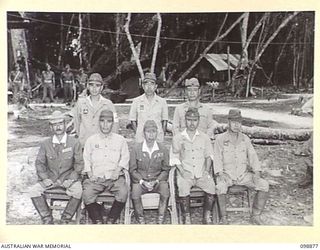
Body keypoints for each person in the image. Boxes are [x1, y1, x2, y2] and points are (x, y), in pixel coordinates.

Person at [213, 109, 269, 225]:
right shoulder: (220, 139)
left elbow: (252, 156)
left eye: (238, 122)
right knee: (220, 187)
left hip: (243, 175)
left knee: (264, 185)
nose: (236, 125)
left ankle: (256, 215)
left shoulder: (245, 139)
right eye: (233, 122)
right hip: (227, 175)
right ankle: (223, 217)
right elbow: (217, 158)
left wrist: (257, 172)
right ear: (228, 122)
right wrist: (220, 173)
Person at [29, 110, 83, 224]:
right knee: (34, 191)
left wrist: (71, 179)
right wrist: (44, 178)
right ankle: (47, 218)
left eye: (60, 123)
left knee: (78, 191)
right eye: (54, 124)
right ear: (51, 127)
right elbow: (39, 163)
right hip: (50, 179)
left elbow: (79, 164)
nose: (58, 127)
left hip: (68, 179)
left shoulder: (74, 142)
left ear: (65, 124)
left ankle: (65, 219)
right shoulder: (45, 144)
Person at [82, 109, 130, 224]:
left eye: (108, 122)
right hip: (96, 178)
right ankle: (97, 219)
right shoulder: (91, 140)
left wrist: (118, 171)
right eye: (102, 121)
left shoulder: (120, 140)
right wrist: (90, 174)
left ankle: (111, 219)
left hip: (114, 178)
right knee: (87, 194)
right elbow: (86, 158)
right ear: (99, 122)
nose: (105, 125)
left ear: (112, 123)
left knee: (123, 192)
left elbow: (125, 157)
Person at [170, 108, 216, 224]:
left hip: (201, 172)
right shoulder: (178, 138)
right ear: (185, 121)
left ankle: (207, 215)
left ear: (198, 121)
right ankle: (187, 217)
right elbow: (174, 158)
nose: (192, 123)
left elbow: (209, 156)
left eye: (194, 120)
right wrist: (182, 172)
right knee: (183, 186)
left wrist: (206, 171)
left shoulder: (205, 138)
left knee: (211, 185)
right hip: (186, 172)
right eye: (189, 120)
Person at [129, 120, 170, 224]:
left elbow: (165, 170)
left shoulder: (163, 149)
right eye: (148, 131)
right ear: (143, 133)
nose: (151, 134)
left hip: (157, 181)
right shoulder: (136, 149)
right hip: (141, 181)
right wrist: (142, 181)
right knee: (135, 190)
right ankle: (140, 218)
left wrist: (157, 181)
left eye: (153, 131)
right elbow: (132, 170)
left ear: (157, 133)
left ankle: (161, 217)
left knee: (165, 188)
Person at [73, 72, 119, 148]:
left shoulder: (108, 104)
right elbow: (77, 122)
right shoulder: (81, 103)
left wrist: (112, 141)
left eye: (97, 85)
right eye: (91, 85)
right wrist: (82, 135)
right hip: (85, 143)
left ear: (101, 87)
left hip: (102, 144)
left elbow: (115, 124)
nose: (94, 88)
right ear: (87, 86)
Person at [129, 72, 168, 143]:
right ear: (143, 86)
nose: (149, 87)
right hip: (141, 138)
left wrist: (162, 135)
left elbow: (164, 120)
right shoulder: (136, 101)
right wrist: (137, 133)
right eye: (146, 84)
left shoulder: (162, 102)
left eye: (152, 84)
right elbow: (133, 120)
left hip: (157, 138)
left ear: (156, 86)